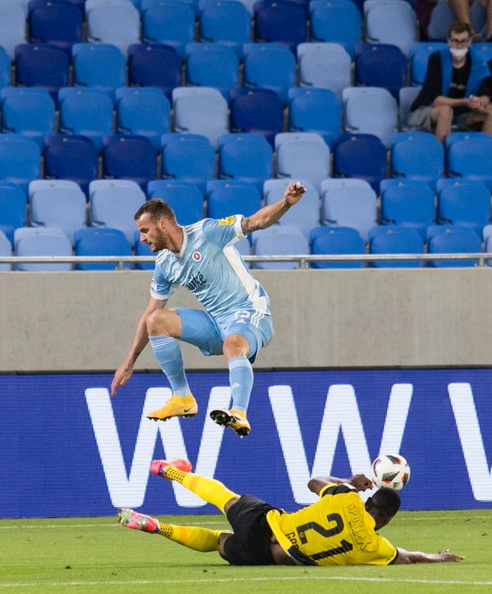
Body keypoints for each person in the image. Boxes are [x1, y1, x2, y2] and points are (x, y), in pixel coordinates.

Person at [110, 183, 307, 438]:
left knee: (233, 345)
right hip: (217, 324)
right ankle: (182, 398)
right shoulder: (165, 265)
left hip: (250, 312)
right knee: (156, 320)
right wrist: (129, 362)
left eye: (145, 230)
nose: (142, 238)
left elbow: (254, 222)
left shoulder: (207, 232)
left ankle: (238, 412)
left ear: (162, 224)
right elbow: (148, 314)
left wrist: (286, 203)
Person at [118, 458, 464, 566]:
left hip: (267, 523)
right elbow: (406, 557)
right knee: (216, 542)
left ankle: (172, 472)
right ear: (387, 519)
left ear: (370, 498)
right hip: (268, 557)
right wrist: (436, 557)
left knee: (224, 497)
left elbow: (314, 481)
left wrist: (348, 481)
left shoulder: (346, 499)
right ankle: (159, 527)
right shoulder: (375, 546)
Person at [408, 21, 492, 143]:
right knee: (445, 111)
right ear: (449, 41)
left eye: (463, 41)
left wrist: (478, 102)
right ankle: (442, 156)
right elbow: (436, 100)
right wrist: (465, 101)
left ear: (469, 42)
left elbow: (485, 95)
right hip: (427, 110)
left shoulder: (479, 64)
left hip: (462, 114)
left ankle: (485, 153)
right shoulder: (437, 59)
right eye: (455, 41)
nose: (459, 45)